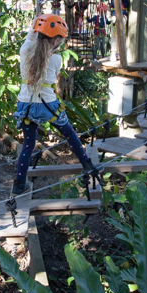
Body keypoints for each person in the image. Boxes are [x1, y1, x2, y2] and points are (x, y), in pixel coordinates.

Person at [12, 14, 102, 195]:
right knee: (69, 134)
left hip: (26, 106)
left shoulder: (25, 50)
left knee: (28, 145)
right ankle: (87, 165)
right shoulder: (56, 59)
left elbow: (31, 36)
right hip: (47, 106)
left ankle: (19, 184)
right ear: (56, 40)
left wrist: (37, 22)